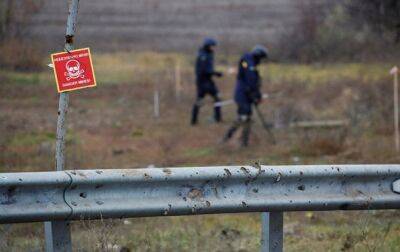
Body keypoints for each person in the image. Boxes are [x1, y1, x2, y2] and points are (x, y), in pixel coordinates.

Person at [223, 45, 269, 147]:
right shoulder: (248, 62)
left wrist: (257, 95)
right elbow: (250, 81)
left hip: (247, 95)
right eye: (261, 58)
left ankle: (244, 142)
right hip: (242, 95)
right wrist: (254, 94)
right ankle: (227, 137)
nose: (261, 61)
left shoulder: (252, 64)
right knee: (243, 117)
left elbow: (254, 83)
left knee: (247, 117)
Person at [191, 37, 223, 125]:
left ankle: (218, 118)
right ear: (208, 46)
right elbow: (204, 70)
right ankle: (193, 120)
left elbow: (209, 69)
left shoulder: (209, 54)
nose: (214, 48)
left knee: (217, 98)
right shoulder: (203, 56)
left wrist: (214, 73)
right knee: (200, 101)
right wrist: (216, 73)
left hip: (208, 81)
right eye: (212, 46)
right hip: (202, 82)